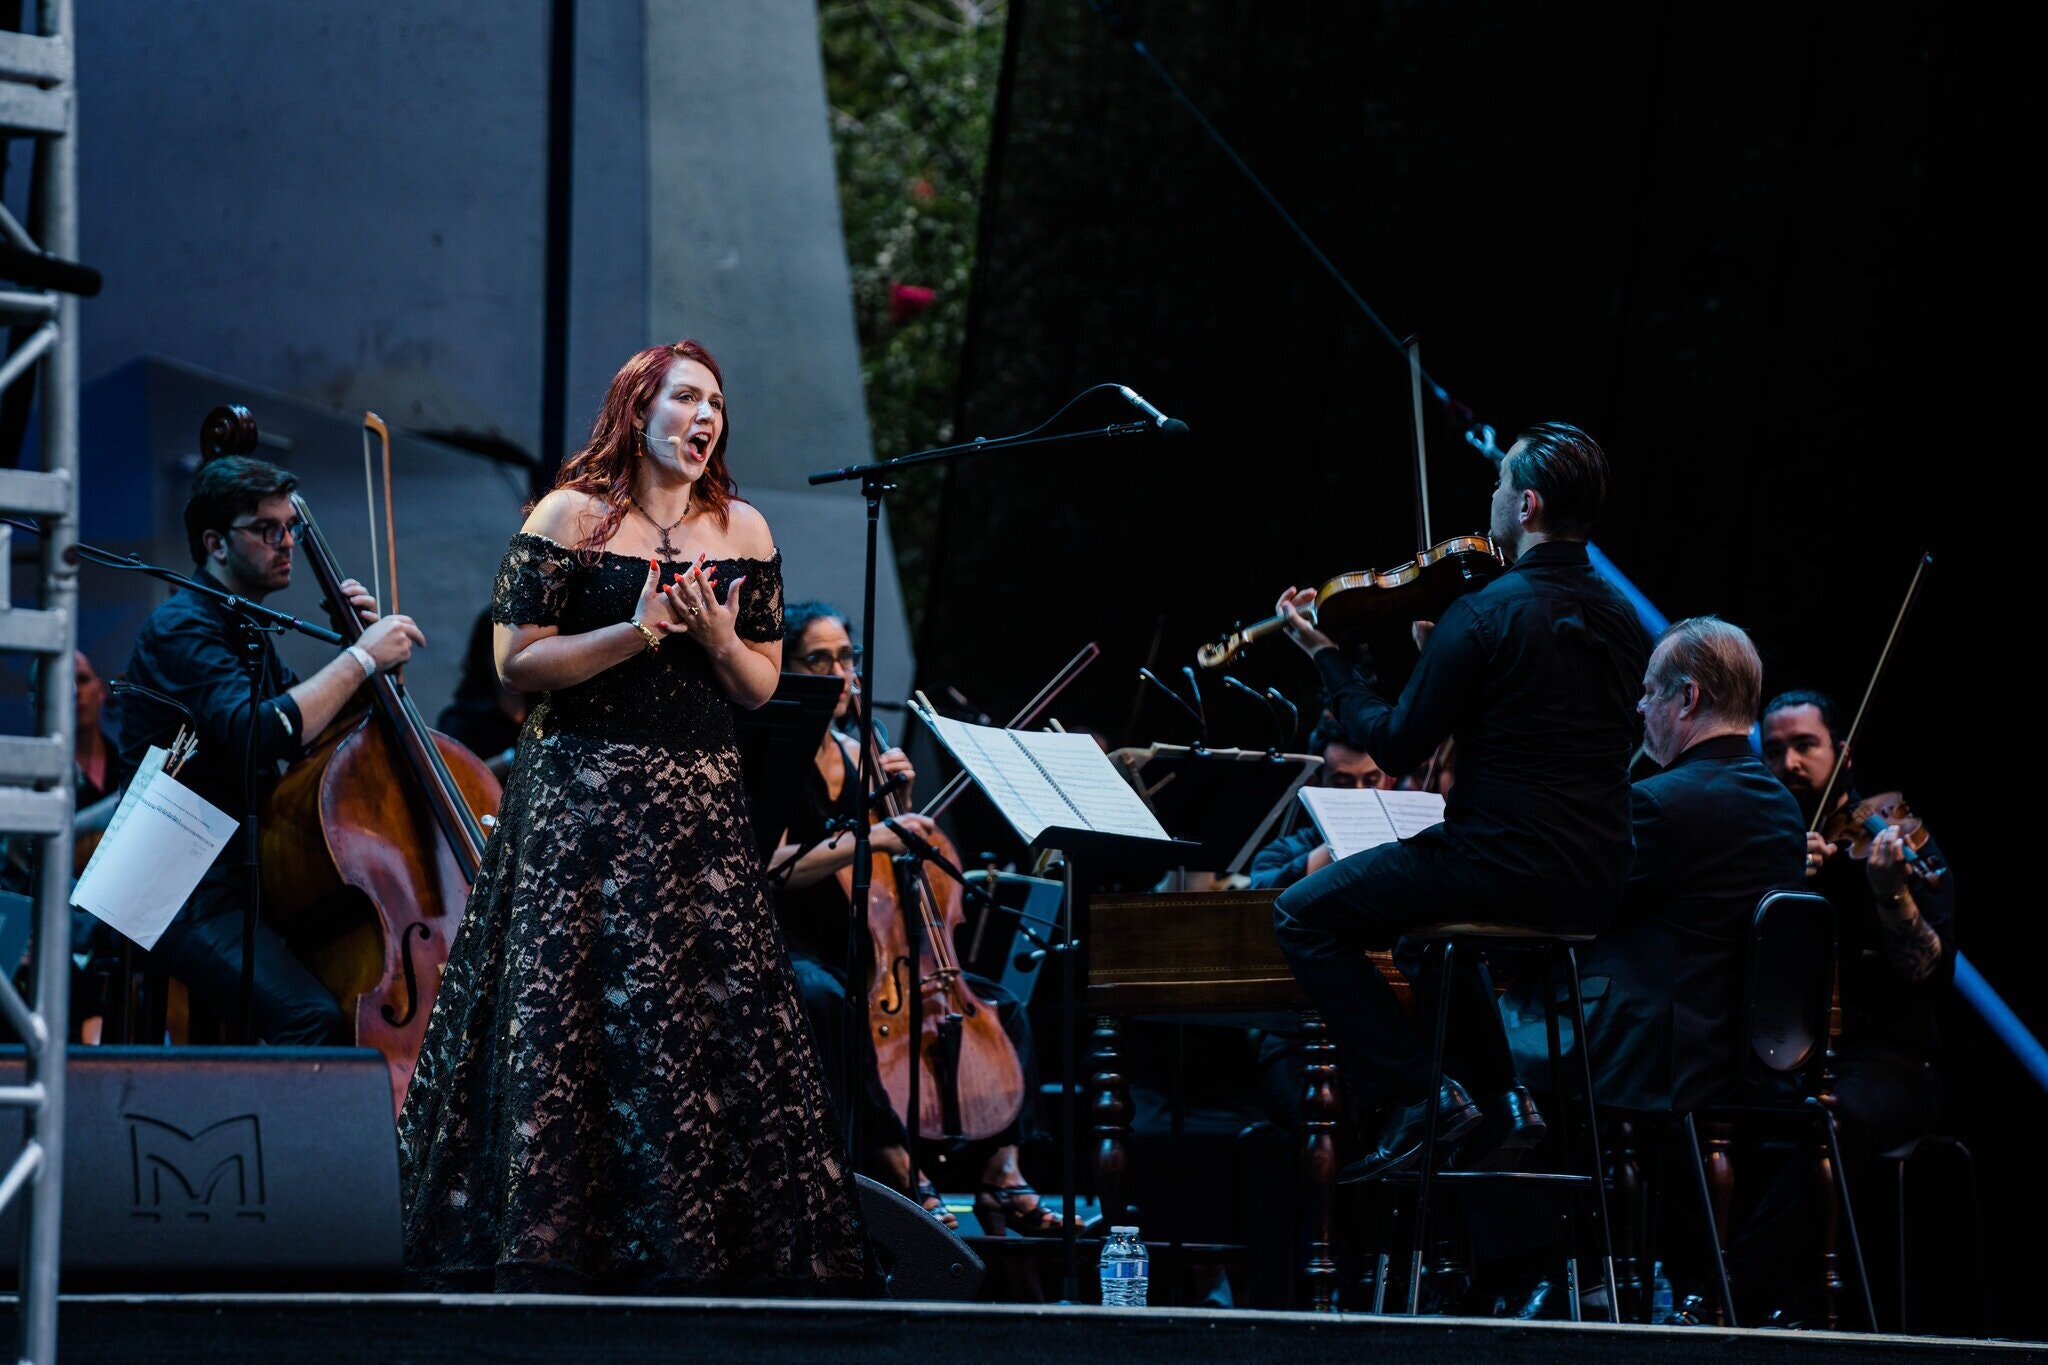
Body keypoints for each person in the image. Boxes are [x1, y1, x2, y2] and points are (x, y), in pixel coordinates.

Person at [397, 340, 865, 1294]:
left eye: (717, 406)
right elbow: (516, 667)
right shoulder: (568, 515)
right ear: (637, 409)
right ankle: (555, 1247)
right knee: (572, 1022)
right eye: (686, 398)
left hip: (696, 803)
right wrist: (642, 628)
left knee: (701, 1022)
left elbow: (761, 684)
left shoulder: (742, 529)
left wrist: (721, 635)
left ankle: (694, 1250)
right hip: (582, 799)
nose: (705, 419)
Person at [1268, 421, 1649, 1182]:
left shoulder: (1483, 613)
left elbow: (1396, 745)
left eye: (1501, 487)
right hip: (1595, 882)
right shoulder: (1624, 621)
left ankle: (1419, 1098)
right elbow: (1548, 718)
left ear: (1529, 504)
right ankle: (1506, 1101)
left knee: (1301, 914)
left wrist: (1326, 656)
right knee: (1431, 944)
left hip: (1498, 865)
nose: (1494, 501)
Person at [1472, 617, 1807, 1317]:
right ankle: (1578, 1262)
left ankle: (1534, 1266)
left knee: (1474, 1035)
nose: (1638, 707)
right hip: (1731, 1045)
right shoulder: (1779, 806)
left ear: (1686, 698)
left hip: (1648, 1048)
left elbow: (1565, 906)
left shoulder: (1659, 803)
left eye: (1649, 691)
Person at [768, 601, 1059, 1237]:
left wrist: (896, 803)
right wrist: (876, 835)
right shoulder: (776, 753)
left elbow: (907, 879)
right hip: (802, 943)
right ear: (783, 669)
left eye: (848, 659)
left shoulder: (863, 753)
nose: (841, 675)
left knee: (1003, 1006)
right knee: (827, 998)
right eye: (820, 661)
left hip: (881, 954)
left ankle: (1001, 1175)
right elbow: (774, 864)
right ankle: (890, 1161)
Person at [115, 456, 423, 1044]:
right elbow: (266, 730)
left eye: (291, 528)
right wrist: (359, 661)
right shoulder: (182, 626)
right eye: (267, 529)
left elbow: (318, 746)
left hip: (235, 877)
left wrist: (369, 667)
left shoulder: (245, 628)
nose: (286, 544)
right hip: (167, 879)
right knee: (310, 1018)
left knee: (343, 997)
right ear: (216, 543)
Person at [1738, 688, 1956, 1321]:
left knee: (1831, 1120)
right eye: (1774, 750)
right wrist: (1775, 883)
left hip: (1892, 1062)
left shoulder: (1887, 833)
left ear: (1843, 754)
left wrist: (1892, 896)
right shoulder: (1767, 846)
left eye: (1806, 746)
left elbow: (1929, 977)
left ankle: (1736, 1294)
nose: (1790, 763)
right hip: (1786, 1053)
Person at [1246, 714, 1393, 892]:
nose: (1360, 793)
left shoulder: (1410, 844)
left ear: (1388, 782)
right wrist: (1341, 843)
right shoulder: (1280, 853)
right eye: (1342, 784)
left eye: (1371, 781)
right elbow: (1261, 894)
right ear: (1314, 784)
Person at [435, 608, 529, 777]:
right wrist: (513, 757)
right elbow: (452, 779)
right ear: (485, 653)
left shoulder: (547, 712)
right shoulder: (460, 719)